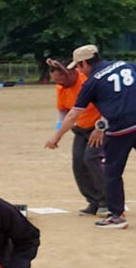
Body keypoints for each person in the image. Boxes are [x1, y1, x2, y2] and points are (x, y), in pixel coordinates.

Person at [45, 44, 136, 229]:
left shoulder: (91, 82)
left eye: (78, 66)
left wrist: (56, 137)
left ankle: (116, 215)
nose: (79, 70)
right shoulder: (126, 65)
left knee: (112, 172)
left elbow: (74, 114)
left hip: (120, 128)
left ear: (83, 64)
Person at [46, 57, 108, 217]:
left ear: (72, 73)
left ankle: (106, 201)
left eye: (61, 79)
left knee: (91, 159)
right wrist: (57, 132)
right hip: (80, 129)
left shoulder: (87, 81)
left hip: (99, 128)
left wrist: (101, 127)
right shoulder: (61, 88)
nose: (59, 84)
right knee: (78, 164)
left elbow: (108, 104)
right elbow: (63, 113)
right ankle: (93, 201)